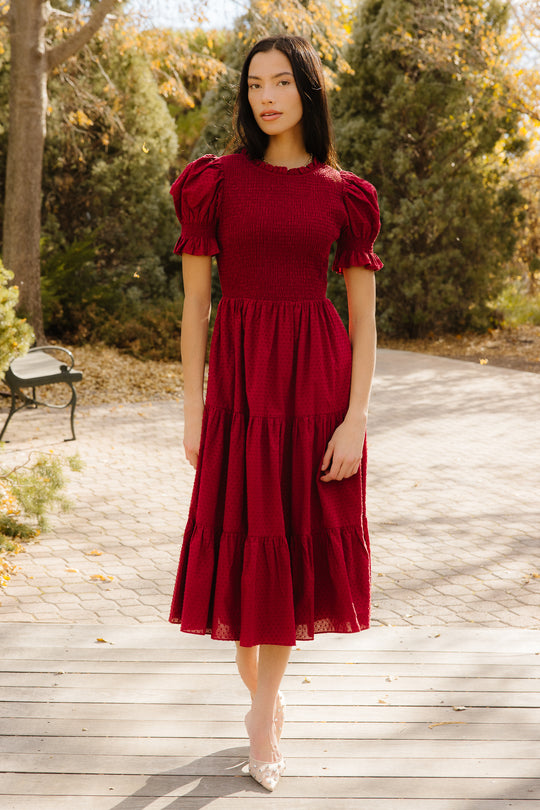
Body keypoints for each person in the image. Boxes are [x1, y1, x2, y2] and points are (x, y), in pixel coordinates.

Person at [169, 34, 382, 791]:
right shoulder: (213, 183)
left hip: (314, 390)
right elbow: (196, 308)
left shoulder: (343, 193)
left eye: (282, 83)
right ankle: (263, 698)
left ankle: (262, 713)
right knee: (241, 552)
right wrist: (193, 410)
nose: (267, 96)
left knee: (287, 546)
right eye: (256, 83)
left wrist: (355, 416)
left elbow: (363, 318)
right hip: (240, 392)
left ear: (307, 94)